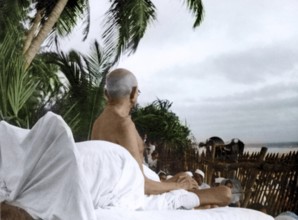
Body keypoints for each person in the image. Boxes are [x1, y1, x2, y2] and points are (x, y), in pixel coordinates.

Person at [91, 68, 231, 209]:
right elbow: (140, 184)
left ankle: (198, 202)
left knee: (184, 176)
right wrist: (179, 185)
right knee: (225, 193)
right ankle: (197, 203)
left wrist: (178, 182)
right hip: (139, 194)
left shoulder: (98, 123)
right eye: (138, 92)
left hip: (130, 187)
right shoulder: (123, 125)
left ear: (106, 94)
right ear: (133, 93)